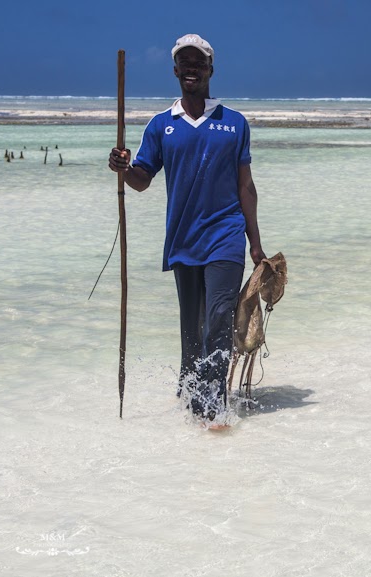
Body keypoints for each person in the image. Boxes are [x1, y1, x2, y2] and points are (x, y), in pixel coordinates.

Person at [108, 33, 266, 424]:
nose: (192, 69)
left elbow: (246, 185)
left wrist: (255, 244)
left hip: (225, 236)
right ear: (176, 71)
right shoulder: (162, 126)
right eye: (185, 63)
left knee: (217, 318)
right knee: (191, 331)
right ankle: (191, 399)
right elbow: (143, 179)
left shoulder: (234, 123)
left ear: (211, 70)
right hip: (182, 240)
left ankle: (213, 410)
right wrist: (124, 169)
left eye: (199, 63)